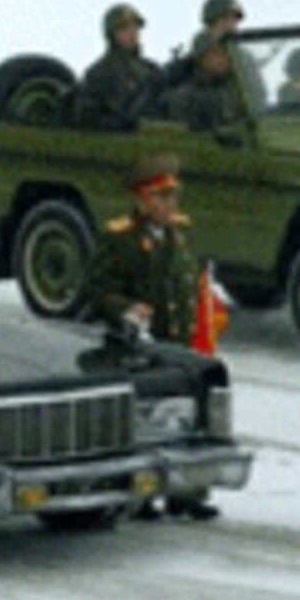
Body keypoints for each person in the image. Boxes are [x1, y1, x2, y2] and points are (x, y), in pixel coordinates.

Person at [87, 154, 218, 520]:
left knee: (189, 419)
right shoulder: (120, 239)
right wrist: (126, 309)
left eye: (173, 196)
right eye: (160, 197)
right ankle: (142, 494)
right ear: (141, 199)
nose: (169, 204)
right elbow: (98, 291)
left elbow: (192, 284)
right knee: (147, 422)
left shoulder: (181, 234)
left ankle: (187, 492)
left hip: (180, 345)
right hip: (143, 349)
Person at [75, 4, 162, 130]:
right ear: (112, 34)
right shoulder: (99, 73)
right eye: (125, 28)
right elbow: (88, 116)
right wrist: (119, 123)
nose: (133, 33)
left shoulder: (151, 69)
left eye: (135, 27)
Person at [160, 32, 244, 132]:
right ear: (201, 58)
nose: (224, 57)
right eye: (216, 53)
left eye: (225, 51)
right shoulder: (184, 97)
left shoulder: (238, 92)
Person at [198, 0, 267, 110]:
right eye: (225, 19)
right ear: (211, 23)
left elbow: (258, 96)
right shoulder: (195, 60)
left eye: (234, 20)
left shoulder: (244, 59)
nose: (231, 26)